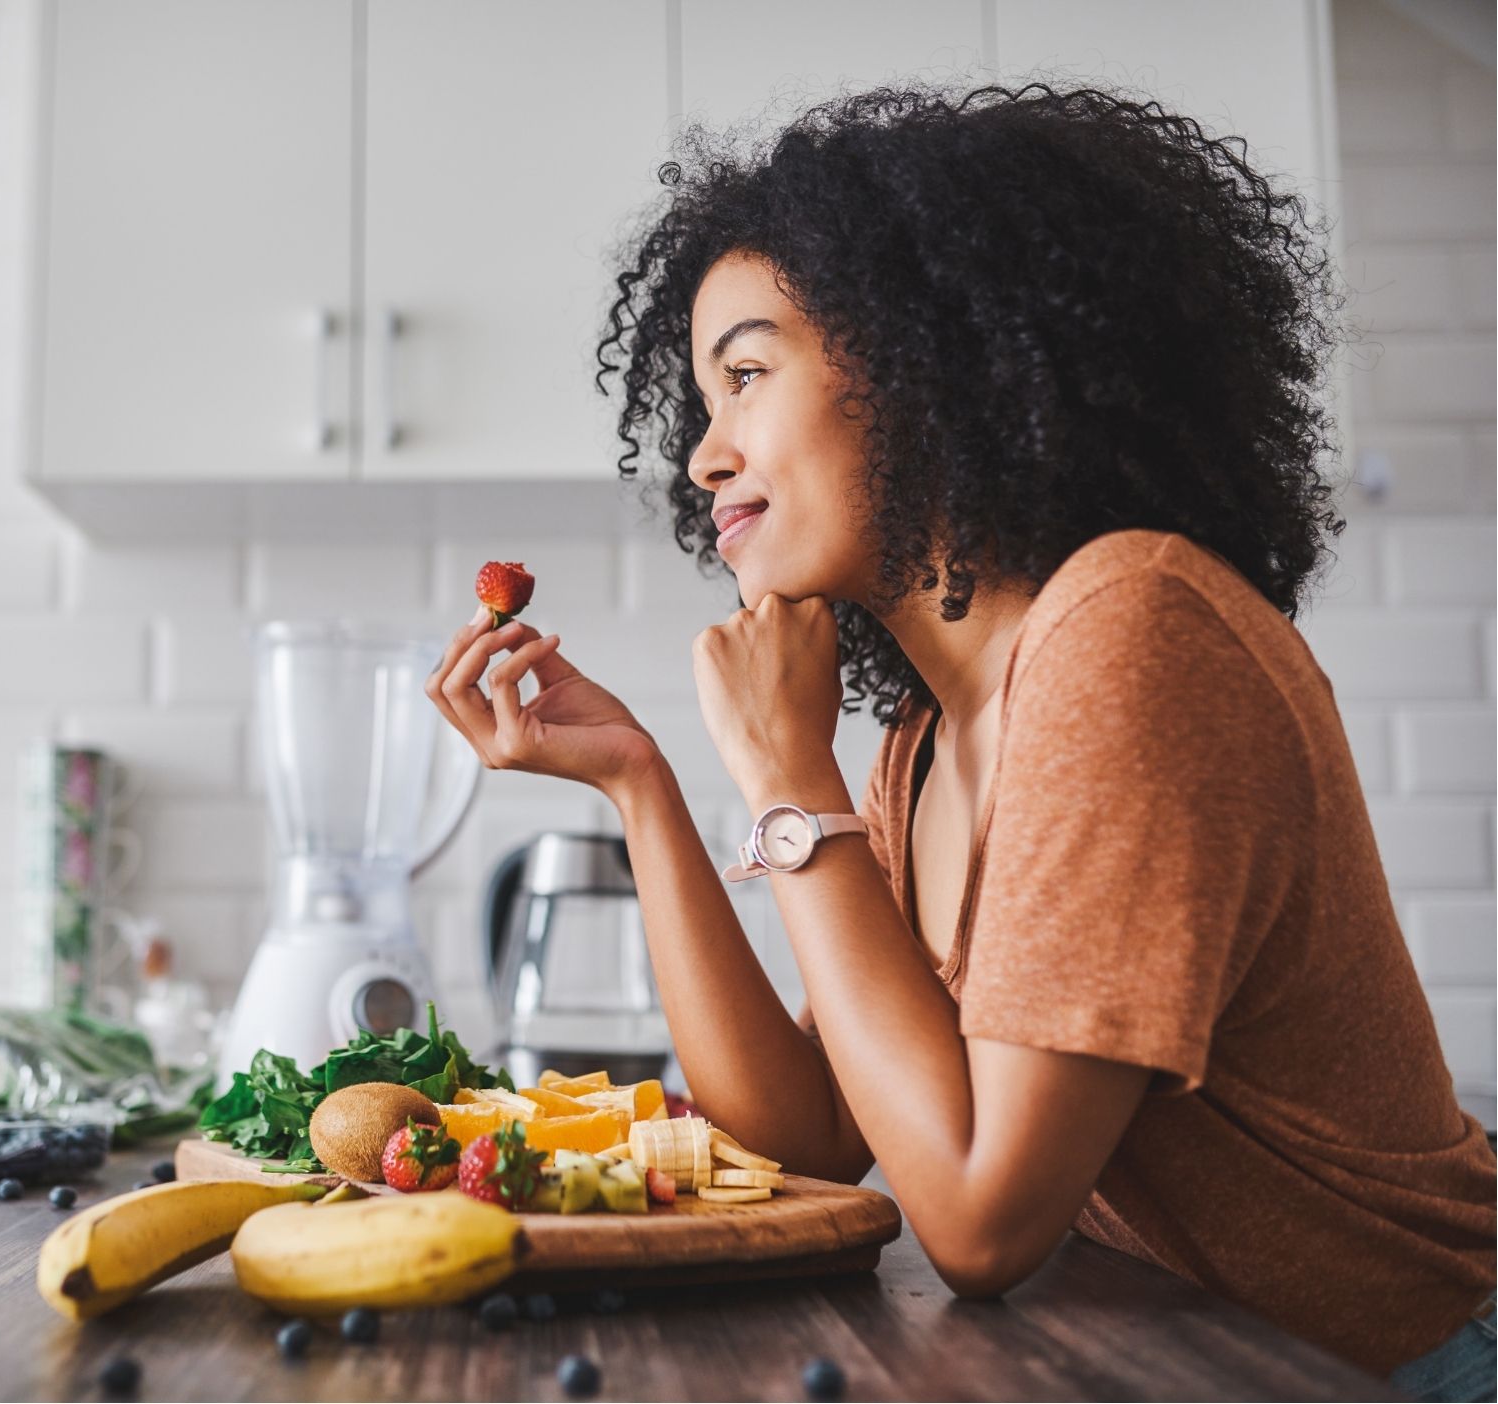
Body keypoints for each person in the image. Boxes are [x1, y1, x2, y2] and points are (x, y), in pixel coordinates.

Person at [425, 82, 1496, 1396]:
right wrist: (640, 785)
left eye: (747, 375)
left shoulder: (1130, 628)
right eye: (702, 402)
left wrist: (787, 775)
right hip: (1170, 1356)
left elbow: (979, 1222)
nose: (704, 456)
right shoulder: (924, 742)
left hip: (1385, 1372)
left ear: (924, 363)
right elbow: (813, 1136)